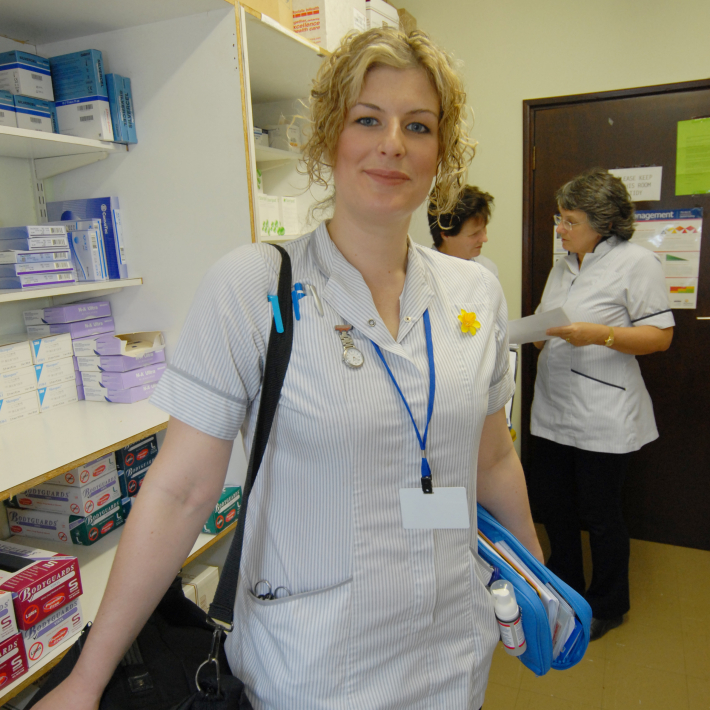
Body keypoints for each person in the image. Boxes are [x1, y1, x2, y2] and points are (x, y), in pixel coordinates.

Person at [37, 27, 542, 710]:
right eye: (368, 119)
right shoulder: (252, 288)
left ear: (441, 152)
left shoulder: (474, 293)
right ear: (330, 136)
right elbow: (181, 491)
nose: (392, 142)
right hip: (313, 667)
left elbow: (491, 461)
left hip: (452, 651)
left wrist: (538, 584)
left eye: (417, 125)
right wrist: (87, 682)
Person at [529, 168, 674, 642]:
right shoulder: (564, 262)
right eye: (560, 218)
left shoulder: (637, 263)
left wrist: (600, 335)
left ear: (604, 222)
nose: (561, 228)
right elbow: (552, 317)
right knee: (555, 506)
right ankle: (565, 585)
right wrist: (535, 334)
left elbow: (660, 337)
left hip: (603, 414)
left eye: (570, 220)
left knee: (601, 513)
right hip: (552, 408)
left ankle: (609, 603)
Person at [428, 185, 499, 277]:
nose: (485, 239)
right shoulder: (423, 275)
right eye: (474, 233)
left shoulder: (488, 270)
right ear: (446, 234)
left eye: (484, 228)